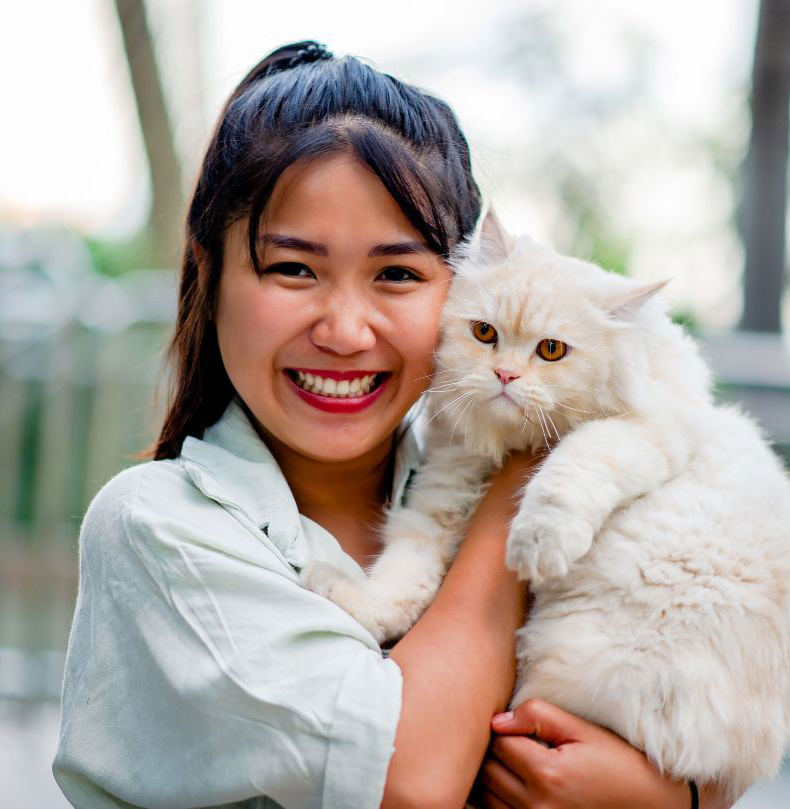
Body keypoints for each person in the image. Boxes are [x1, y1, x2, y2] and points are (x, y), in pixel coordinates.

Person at [53, 41, 736, 809]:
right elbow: (406, 781)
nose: (345, 329)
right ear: (210, 275)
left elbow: (699, 736)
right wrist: (527, 476)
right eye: (293, 268)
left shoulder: (460, 473)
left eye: (398, 274)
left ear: (461, 285)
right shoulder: (157, 527)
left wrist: (676, 797)